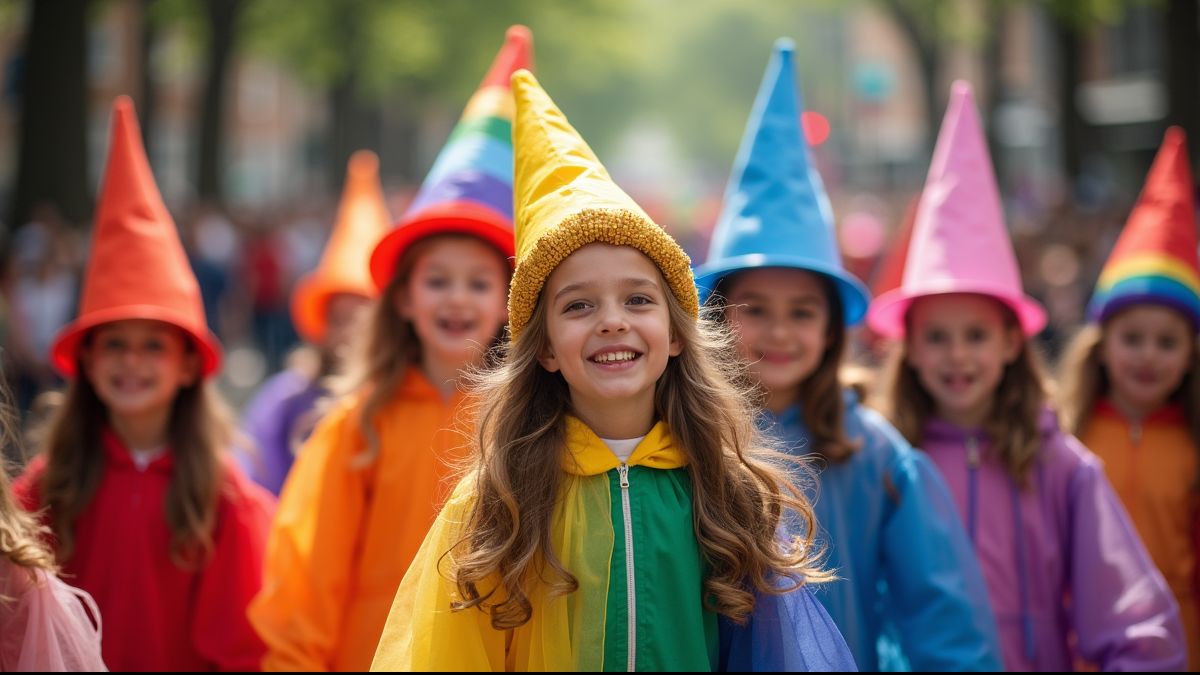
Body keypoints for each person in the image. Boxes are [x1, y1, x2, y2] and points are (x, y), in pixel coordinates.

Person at [371, 67, 856, 672]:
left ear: (677, 334)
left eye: (638, 299)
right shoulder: (497, 503)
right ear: (544, 347)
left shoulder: (728, 491)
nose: (612, 321)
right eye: (578, 306)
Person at [694, 40, 1001, 672]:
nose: (779, 332)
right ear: (717, 318)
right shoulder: (684, 441)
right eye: (756, 308)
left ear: (833, 331)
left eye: (803, 312)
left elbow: (941, 612)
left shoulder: (878, 456)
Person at [867, 81, 1185, 671]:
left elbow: (1129, 611)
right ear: (908, 347)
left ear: (1013, 342)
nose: (957, 356)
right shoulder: (882, 465)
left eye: (977, 335)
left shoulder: (1061, 466)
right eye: (937, 336)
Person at [249, 26, 530, 672]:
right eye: (437, 280)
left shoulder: (528, 424)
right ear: (403, 298)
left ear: (510, 299)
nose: (456, 299)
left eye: (478, 282)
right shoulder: (357, 424)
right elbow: (308, 574)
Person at [13, 97, 275, 671]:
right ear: (85, 360)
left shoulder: (219, 495)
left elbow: (239, 646)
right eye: (114, 344)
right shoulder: (47, 483)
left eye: (153, 345)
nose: (132, 362)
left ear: (187, 364)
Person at [1058, 126, 1200, 670]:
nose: (1148, 356)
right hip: (1084, 647)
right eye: (1132, 338)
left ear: (1191, 354)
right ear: (1100, 345)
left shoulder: (1190, 445)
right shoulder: (1070, 436)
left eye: (1167, 342)